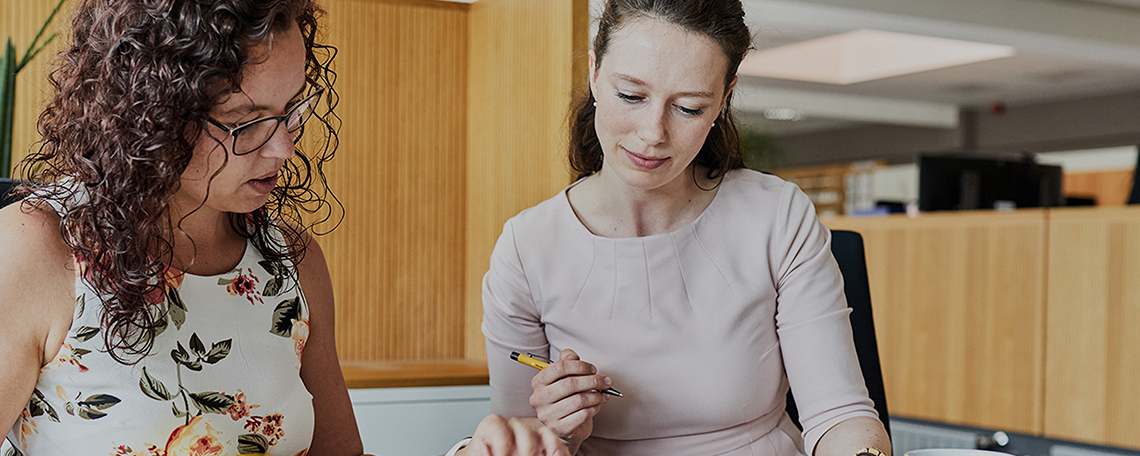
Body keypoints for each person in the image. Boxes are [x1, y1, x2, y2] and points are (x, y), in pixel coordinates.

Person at [0, 0, 567, 455]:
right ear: (148, 113)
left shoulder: (288, 260)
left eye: (292, 109)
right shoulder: (37, 247)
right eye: (245, 123)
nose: (283, 148)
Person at [480, 0, 893, 455]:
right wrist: (557, 433)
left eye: (689, 108)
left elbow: (839, 415)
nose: (653, 133)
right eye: (631, 96)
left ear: (724, 97)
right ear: (595, 72)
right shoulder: (527, 246)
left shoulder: (776, 215)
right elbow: (514, 436)